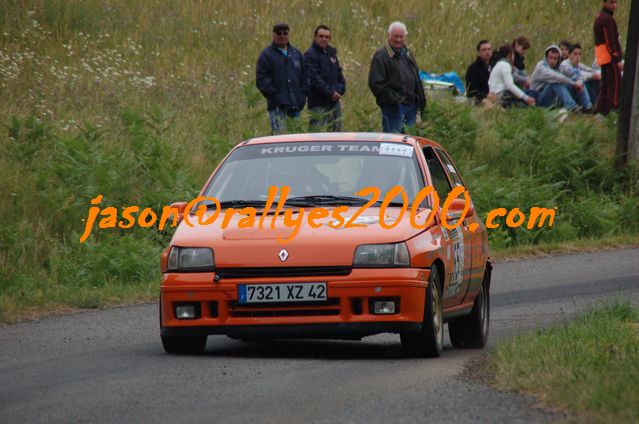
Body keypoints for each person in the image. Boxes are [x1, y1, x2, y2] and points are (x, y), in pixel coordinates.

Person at [368, 21, 426, 133]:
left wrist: (420, 100)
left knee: (408, 142)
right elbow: (375, 83)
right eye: (396, 36)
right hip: (394, 108)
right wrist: (394, 101)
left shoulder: (407, 53)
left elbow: (416, 78)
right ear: (389, 36)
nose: (398, 39)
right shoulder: (381, 56)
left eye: (401, 36)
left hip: (411, 106)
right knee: (393, 143)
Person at [256, 23, 309, 133]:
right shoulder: (267, 55)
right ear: (273, 35)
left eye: (285, 33)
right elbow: (262, 78)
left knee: (295, 137)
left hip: (295, 105)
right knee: (280, 139)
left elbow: (306, 75)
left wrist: (303, 94)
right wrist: (274, 95)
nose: (282, 36)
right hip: (277, 107)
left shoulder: (296, 54)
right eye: (279, 33)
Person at [304, 25, 346, 131]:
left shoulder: (332, 54)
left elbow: (339, 75)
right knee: (316, 136)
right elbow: (314, 79)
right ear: (315, 37)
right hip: (318, 103)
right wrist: (330, 93)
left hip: (334, 102)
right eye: (321, 36)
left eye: (327, 37)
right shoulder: (310, 55)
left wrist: (340, 91)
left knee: (336, 135)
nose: (324, 39)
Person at [531, 45, 592, 111]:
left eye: (555, 58)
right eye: (550, 58)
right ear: (546, 57)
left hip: (555, 98)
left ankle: (587, 106)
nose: (552, 61)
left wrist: (578, 81)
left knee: (576, 78)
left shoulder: (559, 68)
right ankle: (572, 107)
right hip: (539, 99)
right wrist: (573, 84)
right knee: (555, 82)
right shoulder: (541, 66)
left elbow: (573, 75)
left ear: (558, 59)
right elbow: (557, 77)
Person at [594, 0, 623, 115]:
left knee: (605, 84)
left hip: (602, 56)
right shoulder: (607, 19)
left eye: (616, 2)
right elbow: (610, 39)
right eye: (611, 2)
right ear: (604, 3)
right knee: (614, 84)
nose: (614, 5)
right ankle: (613, 108)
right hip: (609, 57)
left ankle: (601, 109)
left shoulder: (599, 17)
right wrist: (615, 56)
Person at [465, 40, 494, 104]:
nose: (487, 52)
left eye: (489, 49)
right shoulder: (473, 68)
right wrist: (486, 95)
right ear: (478, 53)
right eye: (484, 50)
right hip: (477, 98)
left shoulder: (494, 65)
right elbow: (472, 90)